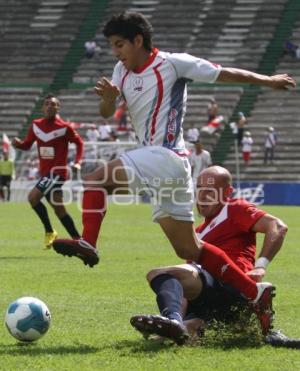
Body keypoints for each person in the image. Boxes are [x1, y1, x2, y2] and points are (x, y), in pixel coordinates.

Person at [52, 11, 295, 319]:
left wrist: (268, 80)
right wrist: (110, 99)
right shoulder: (120, 69)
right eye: (112, 46)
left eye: (119, 44)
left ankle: (88, 241)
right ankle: (253, 292)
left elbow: (223, 73)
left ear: (138, 40)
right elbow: (105, 111)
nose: (116, 52)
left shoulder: (173, 63)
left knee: (96, 179)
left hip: (165, 155)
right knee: (190, 249)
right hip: (165, 168)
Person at [130, 166, 288, 344]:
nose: (202, 196)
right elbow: (186, 288)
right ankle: (180, 324)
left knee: (158, 274)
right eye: (199, 189)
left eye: (210, 191)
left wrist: (260, 266)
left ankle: (177, 321)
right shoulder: (197, 233)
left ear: (227, 192)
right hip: (210, 298)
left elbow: (277, 226)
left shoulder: (234, 209)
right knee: (173, 336)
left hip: (233, 287)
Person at [12, 93, 84, 249]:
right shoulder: (35, 125)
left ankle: (49, 231)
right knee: (59, 210)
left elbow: (80, 143)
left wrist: (78, 162)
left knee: (33, 198)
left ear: (58, 107)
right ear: (42, 107)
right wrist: (18, 145)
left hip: (58, 172)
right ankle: (79, 240)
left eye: (54, 104)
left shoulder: (65, 127)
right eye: (47, 104)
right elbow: (27, 145)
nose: (50, 106)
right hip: (45, 173)